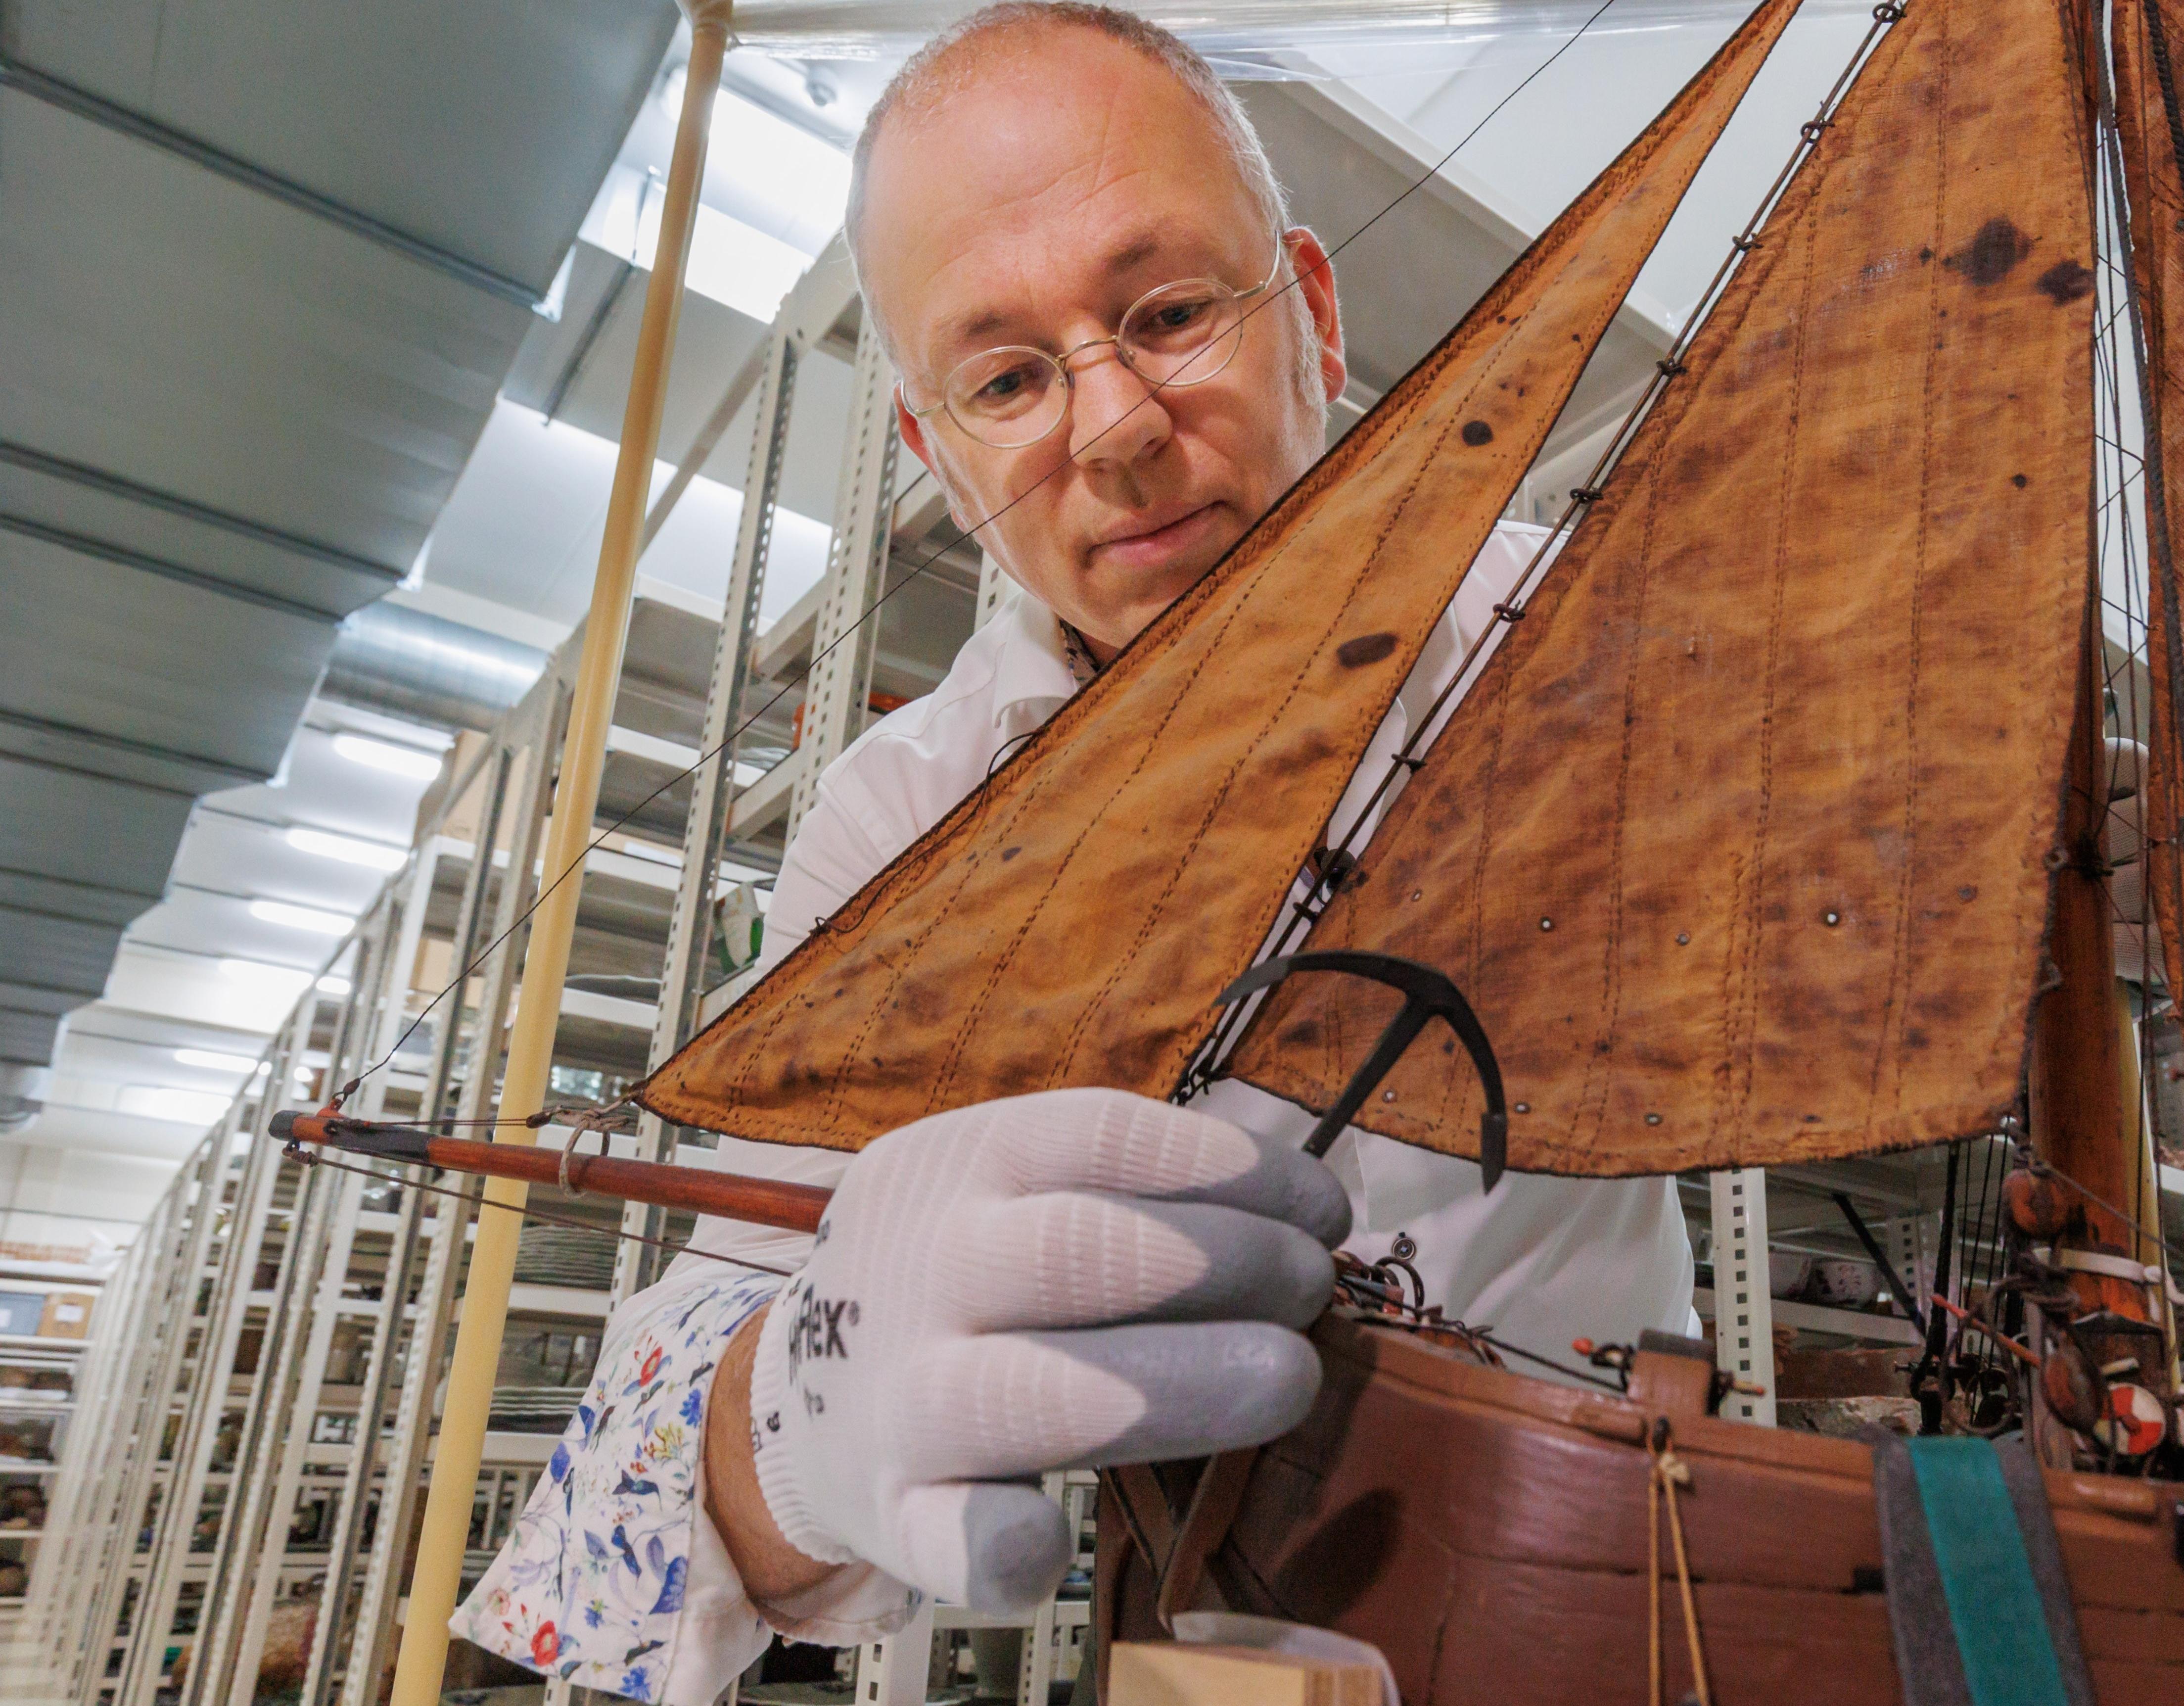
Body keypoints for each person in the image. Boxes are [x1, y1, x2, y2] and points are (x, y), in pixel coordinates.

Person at [455, 7, 1693, 1699]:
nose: (1112, 425)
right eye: (1008, 377)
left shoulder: (1605, 638)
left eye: (1171, 311)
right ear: (937, 454)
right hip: (1196, 1633)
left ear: (1313, 317)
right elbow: (633, 1494)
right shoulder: (898, 823)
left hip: (1635, 1576)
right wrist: (800, 1418)